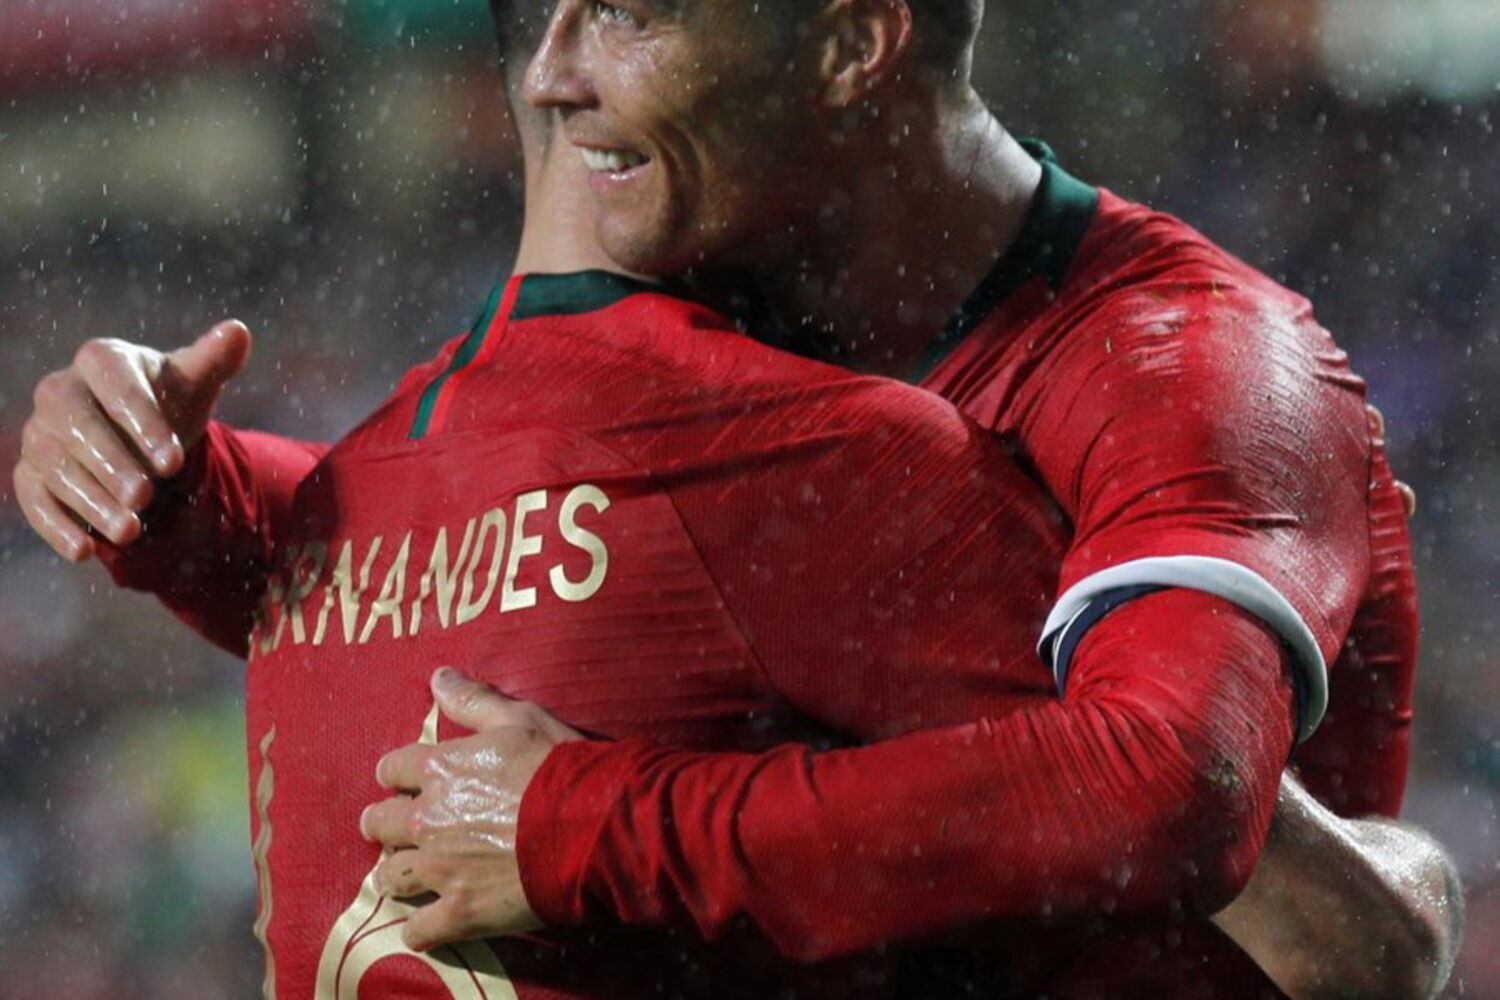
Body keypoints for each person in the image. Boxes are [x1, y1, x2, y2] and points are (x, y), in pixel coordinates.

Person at [9, 4, 1461, 1000]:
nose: (550, 75)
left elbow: (1192, 810)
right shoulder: (735, 339)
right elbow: (617, 560)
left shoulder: (1184, 359)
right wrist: (184, 498)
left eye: (631, 14)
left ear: (851, 41)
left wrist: (592, 825)